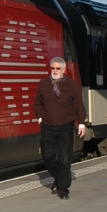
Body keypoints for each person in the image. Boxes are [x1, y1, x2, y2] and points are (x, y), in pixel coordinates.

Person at [34, 57, 86, 200]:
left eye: (58, 68)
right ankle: (59, 178)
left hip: (66, 126)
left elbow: (78, 105)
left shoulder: (71, 85)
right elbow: (37, 103)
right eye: (53, 68)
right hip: (48, 126)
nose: (55, 71)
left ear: (63, 70)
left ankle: (63, 189)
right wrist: (39, 117)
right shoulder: (43, 84)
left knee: (64, 159)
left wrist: (81, 123)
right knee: (47, 157)